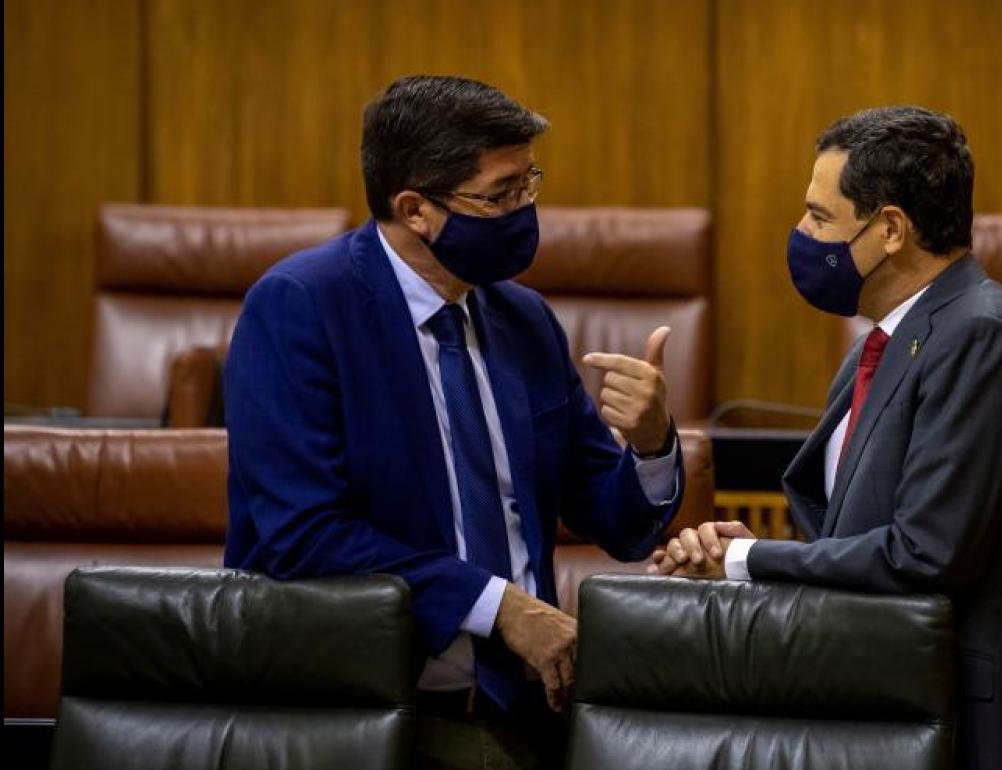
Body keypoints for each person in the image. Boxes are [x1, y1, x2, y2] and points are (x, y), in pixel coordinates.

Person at [224, 75, 684, 769]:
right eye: (500, 196)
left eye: (530, 183)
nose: (525, 210)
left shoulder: (522, 319)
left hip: (528, 714)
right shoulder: (302, 308)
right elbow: (302, 536)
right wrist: (499, 607)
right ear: (415, 209)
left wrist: (650, 443)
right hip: (366, 717)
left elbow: (617, 523)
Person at [653, 106, 1002, 770]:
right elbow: (860, 538)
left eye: (820, 218)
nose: (800, 234)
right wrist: (762, 553)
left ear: (890, 230)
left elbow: (925, 554)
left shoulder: (982, 334)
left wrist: (751, 562)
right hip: (884, 697)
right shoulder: (884, 340)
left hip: (969, 722)